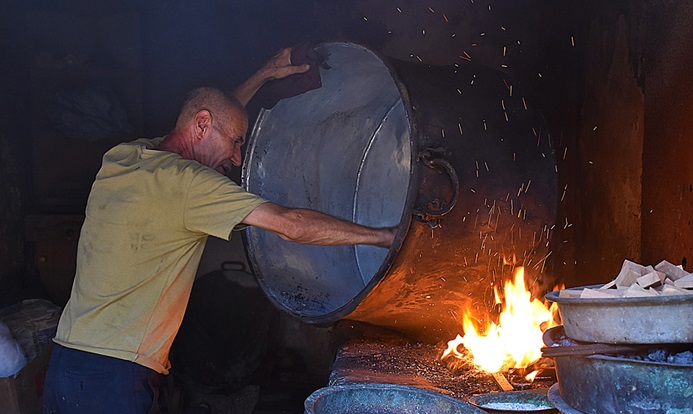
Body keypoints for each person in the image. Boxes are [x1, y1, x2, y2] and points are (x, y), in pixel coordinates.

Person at [43, 48, 396, 414]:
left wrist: (263, 75)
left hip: (66, 363)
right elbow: (290, 224)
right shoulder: (189, 184)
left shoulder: (127, 156)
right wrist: (386, 236)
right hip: (115, 378)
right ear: (201, 126)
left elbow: (210, 118)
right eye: (237, 142)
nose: (238, 158)